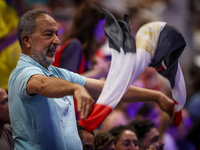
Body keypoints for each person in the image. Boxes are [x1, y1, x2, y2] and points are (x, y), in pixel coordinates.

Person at [8, 9, 176, 150]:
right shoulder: (23, 73)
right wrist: (76, 88)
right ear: (26, 40)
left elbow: (110, 88)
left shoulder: (59, 73)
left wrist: (156, 96)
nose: (57, 41)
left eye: (56, 34)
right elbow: (42, 85)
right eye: (48, 34)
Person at [52, 2, 110, 79]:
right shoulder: (74, 45)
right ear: (92, 25)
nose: (104, 32)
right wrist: (98, 73)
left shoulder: (83, 48)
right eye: (103, 26)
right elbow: (66, 81)